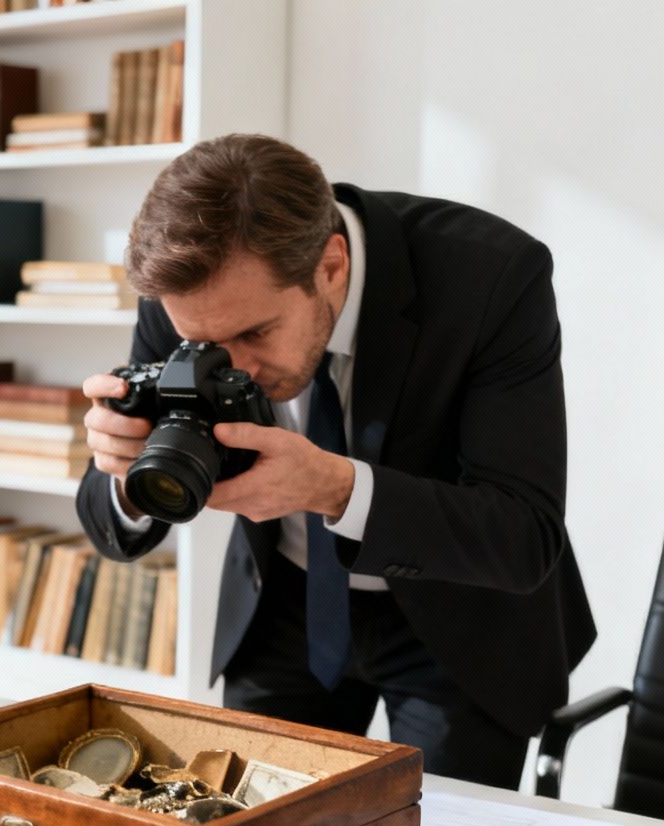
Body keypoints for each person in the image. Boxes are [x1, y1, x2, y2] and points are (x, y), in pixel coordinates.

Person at [74, 134, 594, 788]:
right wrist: (122, 472)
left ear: (331, 265)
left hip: (461, 619)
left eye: (256, 333)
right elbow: (105, 521)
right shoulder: (191, 293)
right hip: (285, 601)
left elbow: (523, 534)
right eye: (205, 344)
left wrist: (334, 488)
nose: (231, 365)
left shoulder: (492, 278)